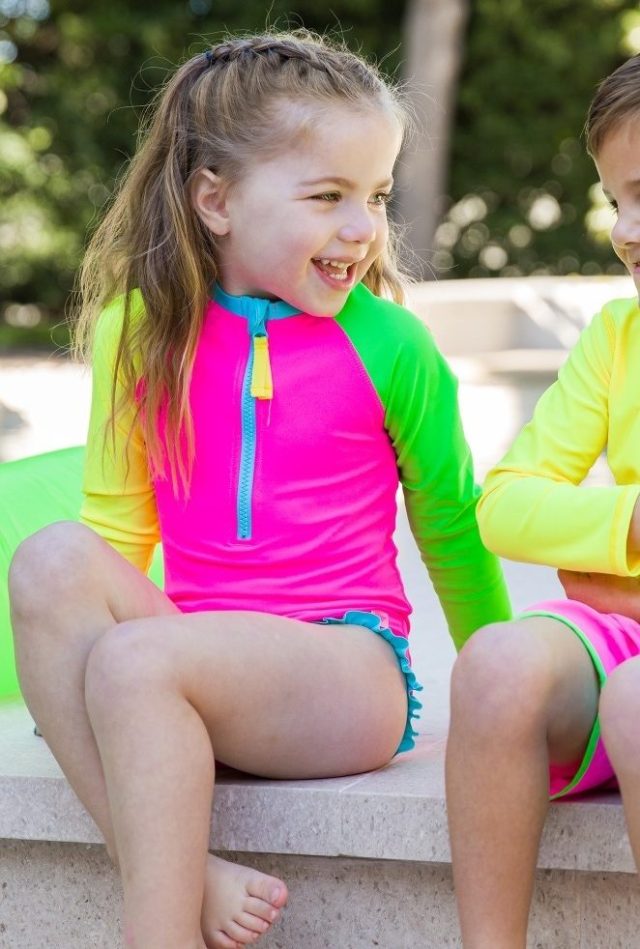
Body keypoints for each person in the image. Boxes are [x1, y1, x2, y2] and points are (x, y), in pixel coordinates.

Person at [8, 30, 510, 949]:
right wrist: (87, 684)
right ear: (217, 199)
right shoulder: (139, 333)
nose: (363, 228)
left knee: (132, 662)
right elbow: (115, 529)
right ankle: (184, 867)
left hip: (347, 672)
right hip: (193, 662)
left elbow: (453, 529)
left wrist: (502, 693)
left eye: (376, 196)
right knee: (47, 562)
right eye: (329, 196)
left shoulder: (392, 347)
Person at [446, 53, 640, 949]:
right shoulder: (615, 337)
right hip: (623, 637)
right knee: (494, 665)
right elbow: (508, 504)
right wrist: (625, 527)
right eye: (615, 201)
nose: (627, 231)